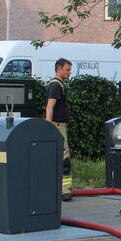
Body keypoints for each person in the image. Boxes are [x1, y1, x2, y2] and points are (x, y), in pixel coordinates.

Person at [45, 58, 73, 201]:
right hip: (57, 126)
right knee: (64, 159)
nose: (69, 72)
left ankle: (59, 189)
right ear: (59, 69)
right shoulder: (56, 86)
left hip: (57, 126)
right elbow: (50, 107)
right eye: (67, 69)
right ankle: (65, 190)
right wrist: (49, 127)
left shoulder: (57, 85)